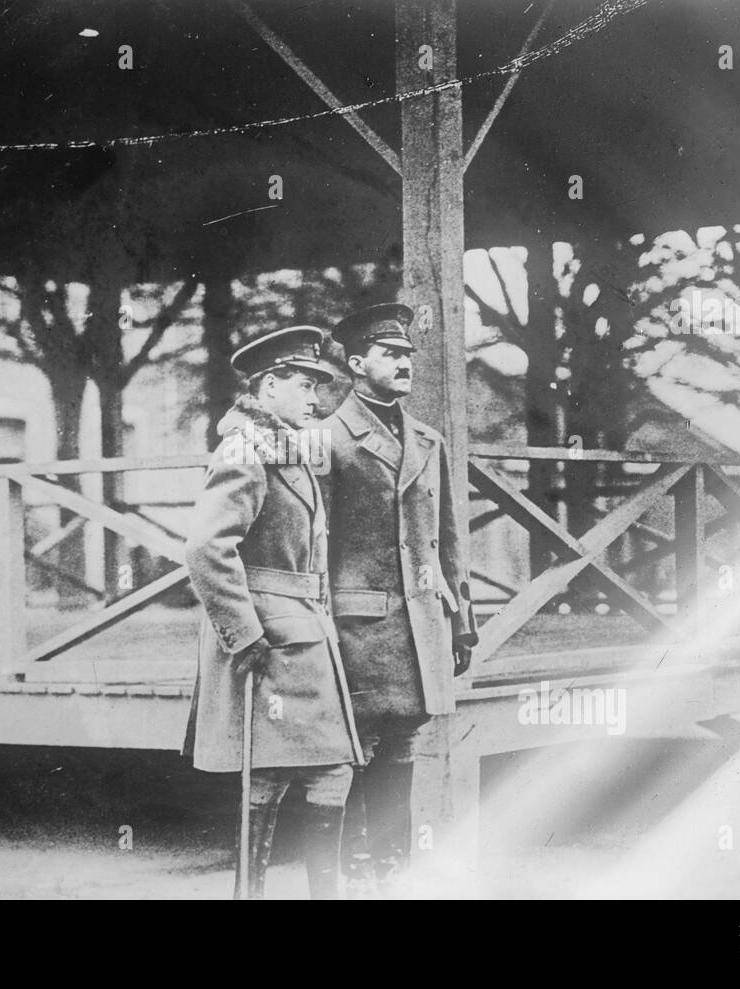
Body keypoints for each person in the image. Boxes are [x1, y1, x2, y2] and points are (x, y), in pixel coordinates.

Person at [182, 325, 364, 899]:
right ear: (266, 387)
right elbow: (207, 547)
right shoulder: (245, 451)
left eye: (320, 385)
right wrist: (244, 632)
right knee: (270, 774)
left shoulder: (289, 446)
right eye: (305, 384)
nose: (316, 397)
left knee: (327, 769)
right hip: (273, 637)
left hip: (306, 632)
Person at [320, 303, 479, 896]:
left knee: (403, 751)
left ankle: (393, 874)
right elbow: (315, 543)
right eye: (392, 354)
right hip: (357, 625)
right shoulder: (329, 439)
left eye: (409, 353)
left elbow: (448, 538)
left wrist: (462, 620)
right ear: (357, 363)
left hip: (420, 625)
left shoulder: (428, 439)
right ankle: (358, 876)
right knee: (358, 755)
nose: (406, 362)